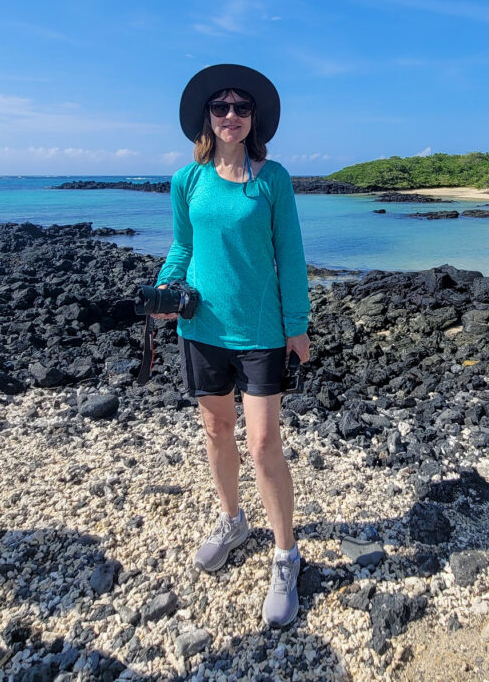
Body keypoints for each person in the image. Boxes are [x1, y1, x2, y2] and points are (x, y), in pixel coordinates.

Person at [153, 63, 310, 628]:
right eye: (220, 107)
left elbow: (289, 256)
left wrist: (298, 325)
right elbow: (182, 246)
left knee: (265, 442)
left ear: (254, 118)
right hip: (202, 329)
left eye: (241, 107)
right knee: (217, 429)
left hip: (263, 331)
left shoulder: (274, 178)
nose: (230, 116)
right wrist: (165, 289)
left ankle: (286, 554)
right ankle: (232, 520)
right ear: (206, 117)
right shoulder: (187, 180)